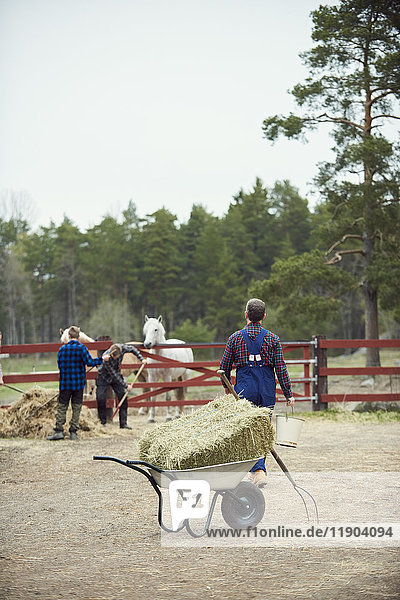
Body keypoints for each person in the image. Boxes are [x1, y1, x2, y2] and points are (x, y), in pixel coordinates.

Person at [219, 298, 294, 487]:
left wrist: (227, 387)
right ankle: (258, 470)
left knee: (248, 430)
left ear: (246, 315)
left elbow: (224, 367)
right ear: (264, 317)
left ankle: (258, 470)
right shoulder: (273, 339)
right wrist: (288, 393)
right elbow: (281, 368)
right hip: (267, 390)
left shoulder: (235, 338)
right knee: (262, 429)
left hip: (244, 390)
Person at [47, 325, 110, 441]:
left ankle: (59, 431)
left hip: (65, 383)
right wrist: (102, 359)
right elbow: (90, 362)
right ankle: (73, 432)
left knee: (62, 407)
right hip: (78, 384)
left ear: (69, 336)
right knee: (76, 407)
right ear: (78, 336)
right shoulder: (82, 348)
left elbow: (59, 365)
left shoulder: (62, 349)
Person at [96, 343, 146, 429]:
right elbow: (114, 374)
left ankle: (123, 423)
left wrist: (141, 359)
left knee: (123, 396)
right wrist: (126, 385)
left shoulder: (123, 348)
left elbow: (133, 349)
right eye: (114, 357)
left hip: (116, 375)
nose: (115, 358)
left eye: (117, 357)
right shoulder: (106, 357)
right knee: (101, 398)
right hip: (103, 377)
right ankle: (102, 423)